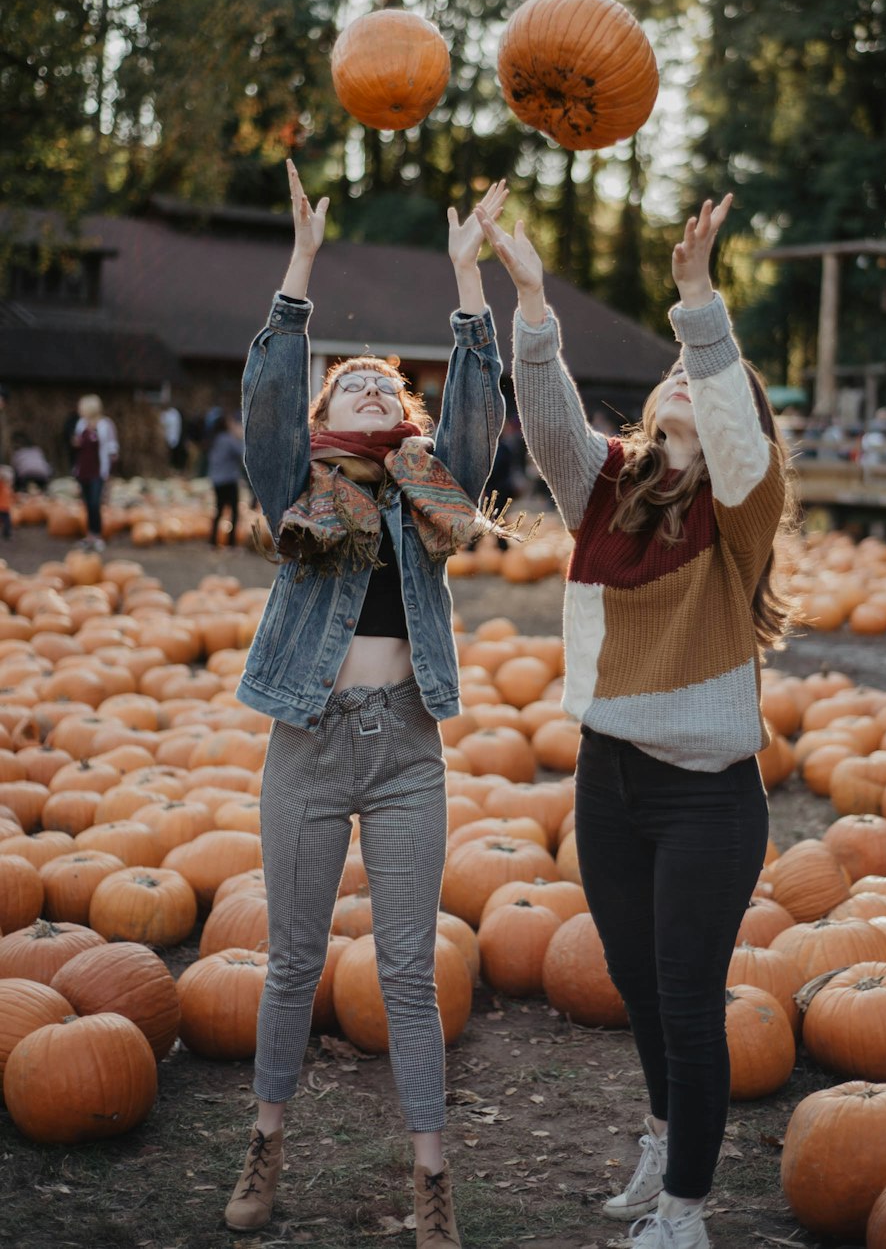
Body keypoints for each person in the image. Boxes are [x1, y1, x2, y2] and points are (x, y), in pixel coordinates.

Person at [476, 194, 795, 1249]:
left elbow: (741, 446)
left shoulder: (736, 516)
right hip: (607, 777)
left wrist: (698, 302)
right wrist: (529, 295)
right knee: (636, 986)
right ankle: (663, 1134)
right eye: (674, 384)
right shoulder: (607, 492)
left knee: (687, 996)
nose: (681, 393)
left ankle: (684, 1215)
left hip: (705, 799)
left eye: (702, 392)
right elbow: (552, 416)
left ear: (726, 420)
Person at [224, 161, 507, 1243]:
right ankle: (266, 1139)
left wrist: (464, 276)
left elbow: (477, 416)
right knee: (292, 958)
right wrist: (300, 266)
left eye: (389, 386)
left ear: (406, 414)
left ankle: (432, 1174)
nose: (375, 390)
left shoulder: (432, 491)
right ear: (322, 415)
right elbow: (264, 398)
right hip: (308, 740)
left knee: (405, 965)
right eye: (352, 384)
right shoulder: (295, 486)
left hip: (406, 751)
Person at [71, 397, 118, 550]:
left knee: (95, 503)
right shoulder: (81, 424)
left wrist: (110, 472)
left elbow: (112, 450)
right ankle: (89, 535)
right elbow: (77, 445)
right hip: (83, 470)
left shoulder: (105, 425)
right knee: (87, 504)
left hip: (98, 471)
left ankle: (97, 535)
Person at [206, 412, 245, 547]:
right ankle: (231, 542)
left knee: (219, 510)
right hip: (229, 480)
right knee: (234, 511)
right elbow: (242, 453)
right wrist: (239, 436)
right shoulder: (228, 440)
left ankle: (212, 540)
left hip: (216, 480)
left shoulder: (213, 440)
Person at [0, 464, 12, 540]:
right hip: (1, 507)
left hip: (6, 507)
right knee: (7, 522)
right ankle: (6, 535)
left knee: (7, 522)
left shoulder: (8, 487)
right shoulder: (1, 485)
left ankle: (6, 535)